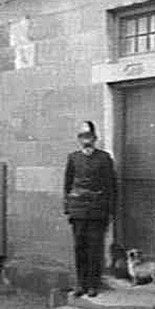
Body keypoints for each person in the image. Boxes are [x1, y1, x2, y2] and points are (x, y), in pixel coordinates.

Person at [64, 121, 116, 297]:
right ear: (79, 139)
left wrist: (110, 210)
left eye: (89, 136)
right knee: (80, 247)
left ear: (94, 138)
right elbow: (68, 184)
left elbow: (111, 185)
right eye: (82, 136)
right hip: (78, 210)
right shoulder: (73, 158)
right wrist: (68, 208)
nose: (86, 140)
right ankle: (81, 283)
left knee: (95, 248)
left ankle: (93, 284)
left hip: (97, 210)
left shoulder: (104, 158)